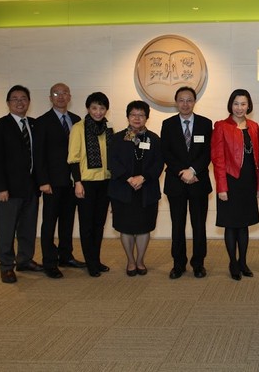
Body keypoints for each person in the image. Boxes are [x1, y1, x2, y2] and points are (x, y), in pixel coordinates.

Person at [0, 84, 43, 283]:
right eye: (15, 99)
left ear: (29, 102)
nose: (20, 102)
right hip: (8, 189)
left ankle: (25, 260)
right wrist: (0, 187)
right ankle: (6, 266)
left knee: (28, 228)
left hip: (31, 188)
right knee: (6, 229)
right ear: (8, 103)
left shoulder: (35, 125)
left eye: (23, 98)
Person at [32, 83, 85, 279]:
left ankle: (66, 255)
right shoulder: (42, 122)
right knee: (49, 223)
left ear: (70, 96)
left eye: (64, 93)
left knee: (68, 221)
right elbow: (38, 156)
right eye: (56, 93)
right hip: (52, 182)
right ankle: (49, 262)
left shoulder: (77, 120)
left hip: (72, 182)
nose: (60, 97)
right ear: (50, 97)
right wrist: (43, 181)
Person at [161, 87, 213, 279]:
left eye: (189, 100)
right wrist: (181, 172)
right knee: (178, 225)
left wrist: (192, 171)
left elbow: (208, 152)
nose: (185, 104)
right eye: (181, 100)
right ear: (176, 102)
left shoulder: (206, 124)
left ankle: (198, 264)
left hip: (198, 181)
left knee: (199, 225)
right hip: (176, 182)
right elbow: (165, 152)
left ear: (194, 101)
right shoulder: (168, 124)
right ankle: (178, 264)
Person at [109, 101, 164, 277]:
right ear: (128, 117)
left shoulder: (154, 139)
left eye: (141, 115)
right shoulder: (117, 138)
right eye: (133, 115)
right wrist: (128, 177)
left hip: (146, 190)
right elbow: (112, 161)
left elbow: (159, 163)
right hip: (123, 190)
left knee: (144, 227)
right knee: (125, 227)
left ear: (147, 117)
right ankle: (130, 261)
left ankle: (140, 260)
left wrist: (143, 177)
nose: (137, 118)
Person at [212, 89, 259, 280]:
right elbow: (217, 159)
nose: (239, 108)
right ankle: (233, 262)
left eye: (243, 104)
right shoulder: (221, 126)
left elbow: (258, 160)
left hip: (248, 182)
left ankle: (243, 262)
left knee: (244, 225)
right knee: (231, 225)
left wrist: (258, 185)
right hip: (230, 181)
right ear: (230, 105)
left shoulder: (254, 126)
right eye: (236, 104)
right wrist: (222, 187)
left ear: (248, 105)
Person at [68, 91, 113, 277]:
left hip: (105, 182)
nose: (98, 112)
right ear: (88, 108)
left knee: (99, 224)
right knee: (87, 225)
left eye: (102, 108)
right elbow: (73, 159)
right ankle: (90, 263)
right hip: (86, 183)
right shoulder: (79, 128)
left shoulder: (108, 129)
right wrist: (77, 182)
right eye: (94, 107)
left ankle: (96, 259)